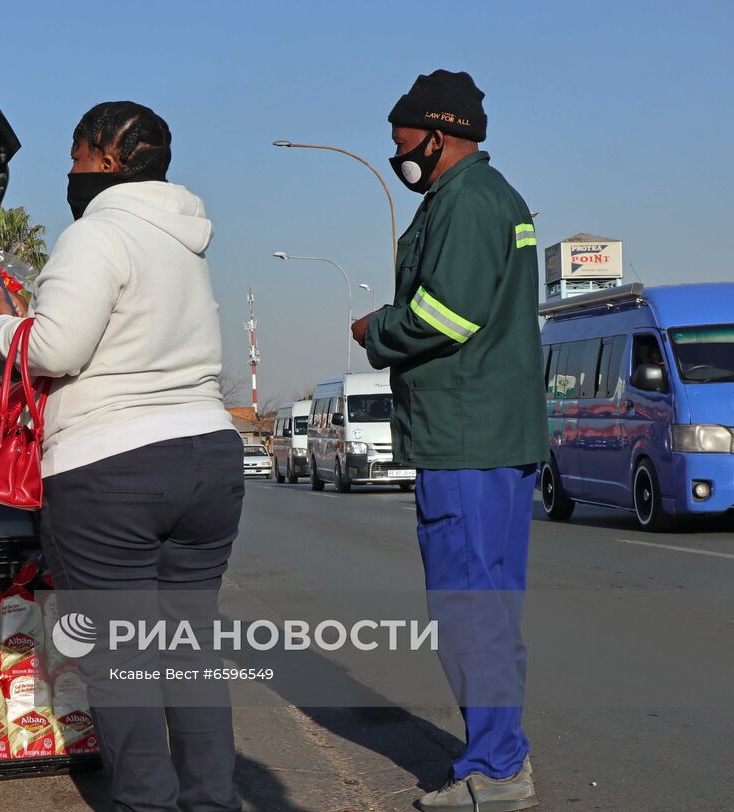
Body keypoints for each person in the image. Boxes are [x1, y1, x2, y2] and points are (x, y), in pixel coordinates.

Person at [0, 101, 243, 812]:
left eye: (74, 157)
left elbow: (56, 348)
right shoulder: (185, 241)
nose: (69, 173)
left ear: (103, 154)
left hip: (113, 469)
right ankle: (213, 802)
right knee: (191, 655)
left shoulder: (96, 233)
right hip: (208, 459)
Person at [350, 70, 546, 812]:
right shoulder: (488, 199)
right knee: (487, 608)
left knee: (469, 611)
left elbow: (445, 317)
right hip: (491, 436)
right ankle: (502, 759)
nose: (395, 148)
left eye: (400, 135)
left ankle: (497, 770)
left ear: (436, 132)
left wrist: (377, 332)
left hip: (467, 439)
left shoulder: (465, 203)